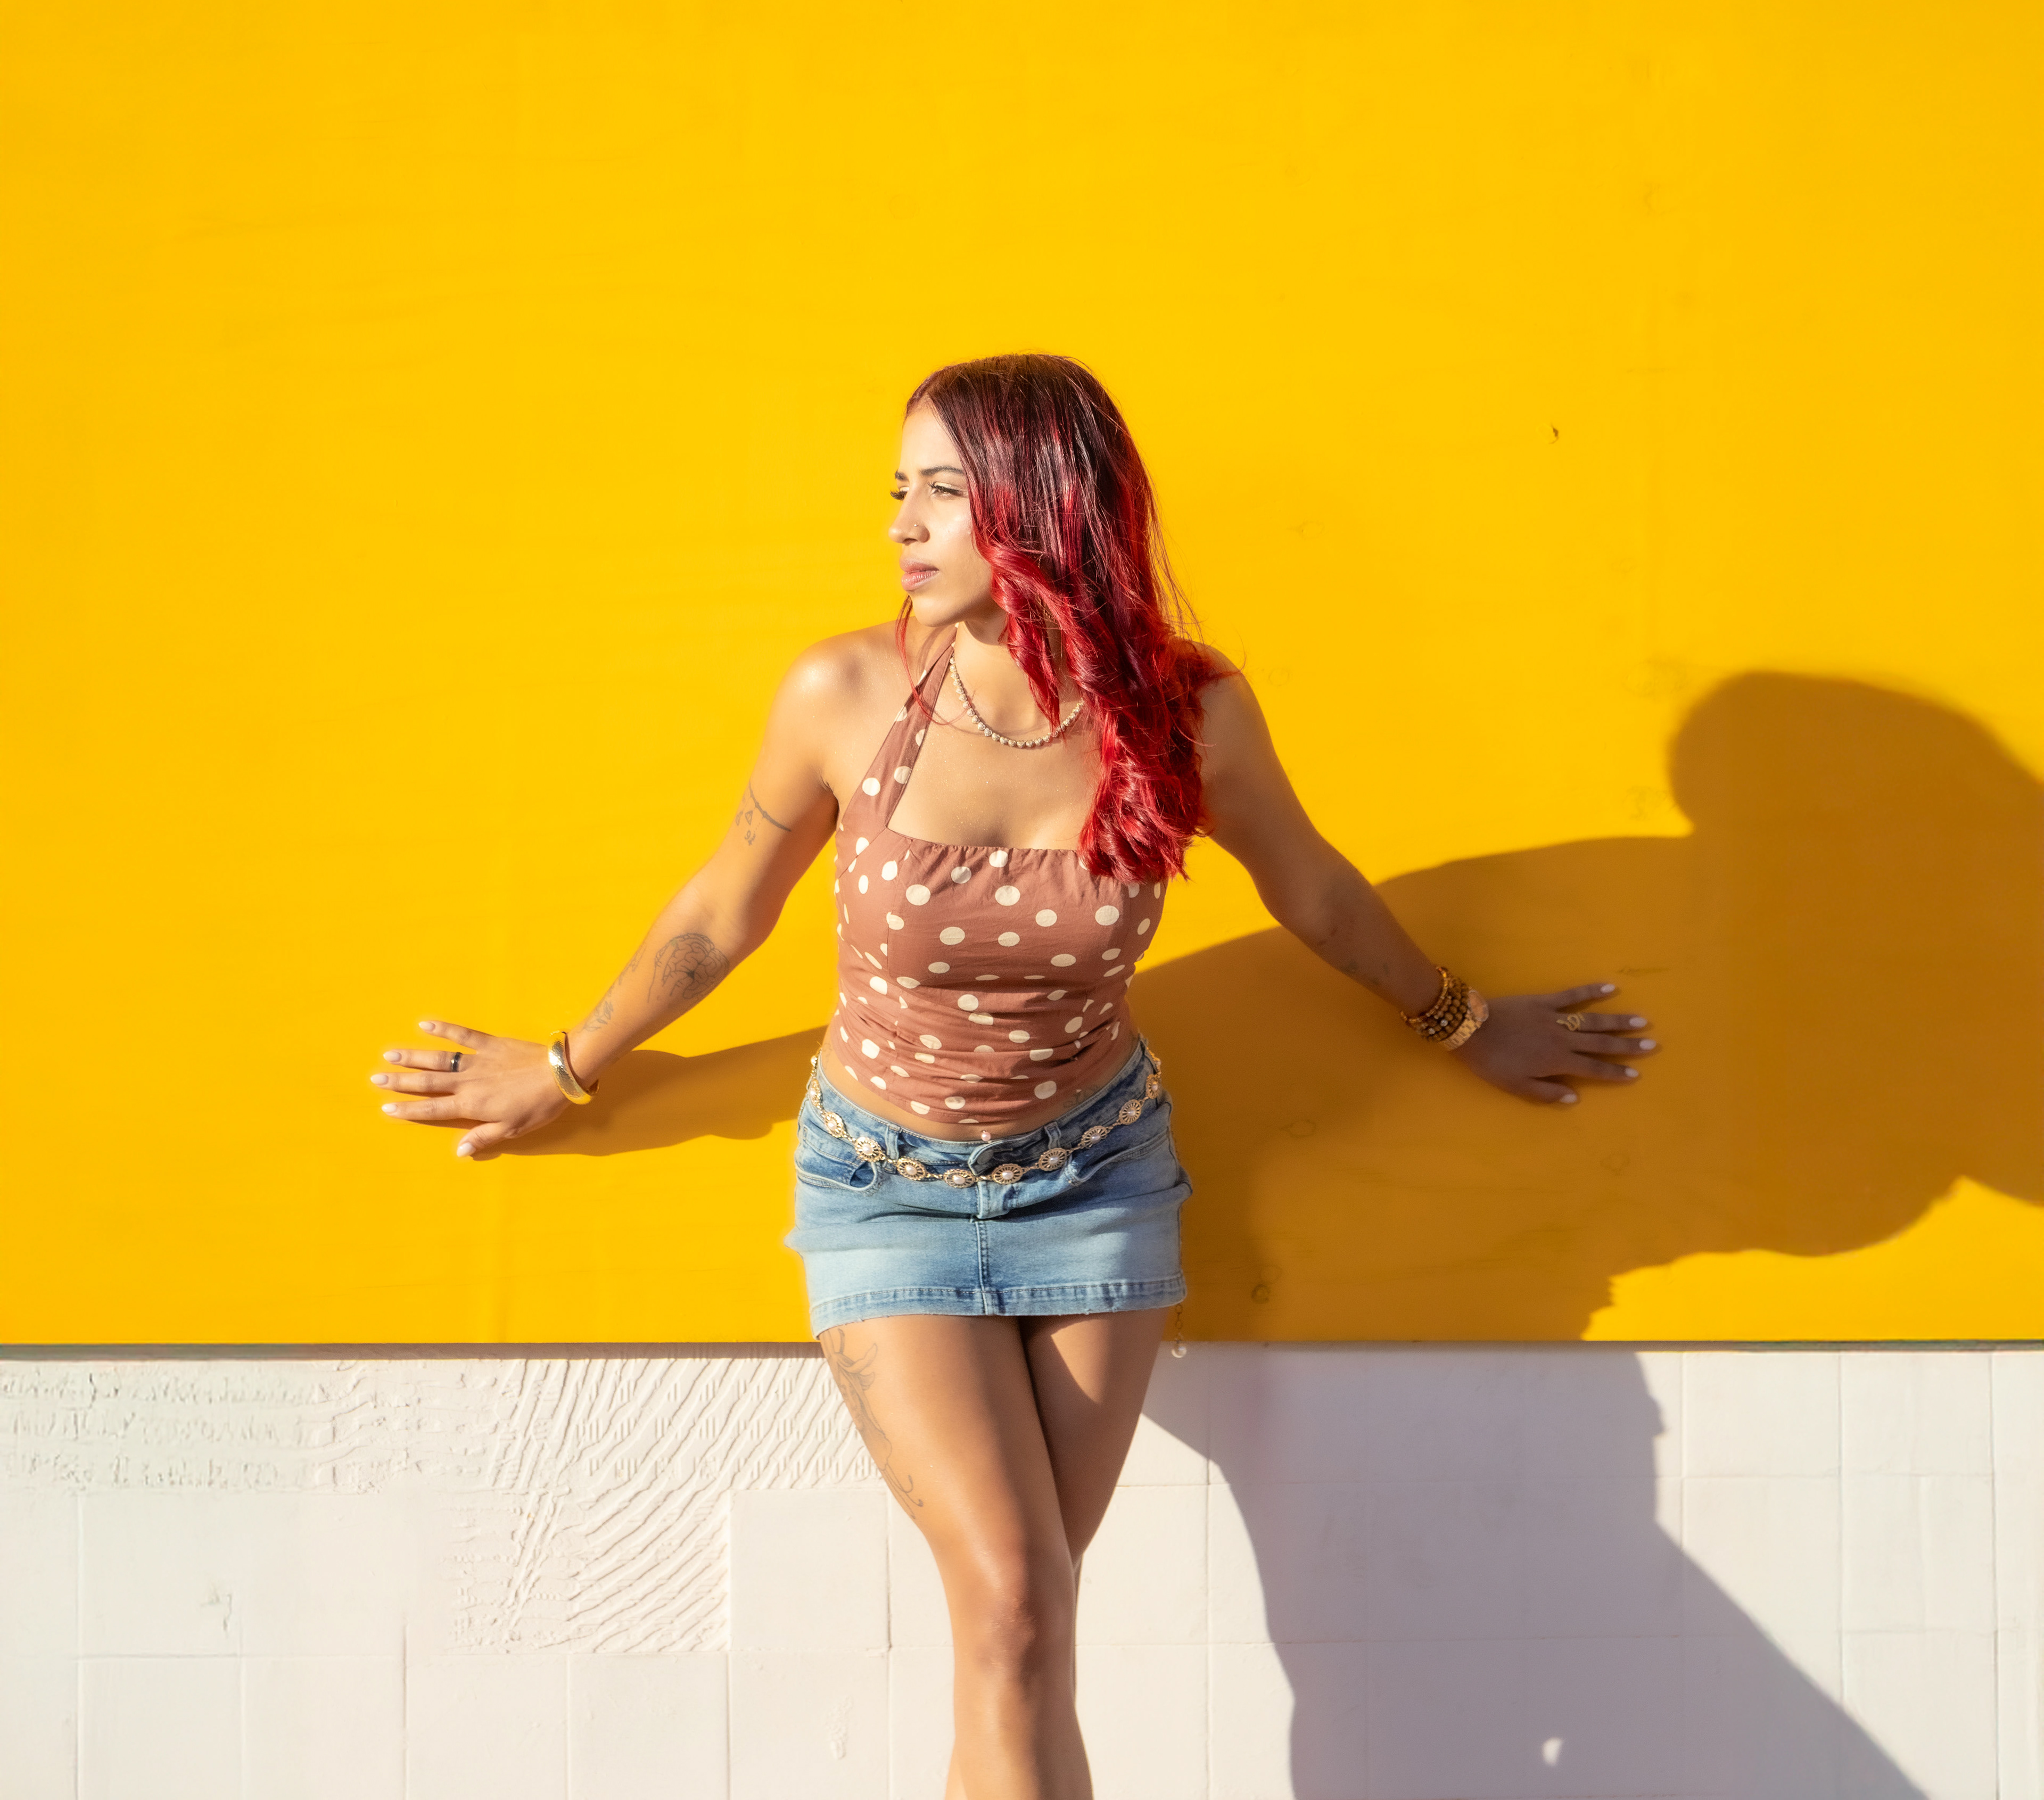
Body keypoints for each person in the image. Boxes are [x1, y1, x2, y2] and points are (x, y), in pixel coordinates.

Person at [369, 353, 1656, 1800]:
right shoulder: (845, 692)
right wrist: (563, 1067)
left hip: (1097, 1186)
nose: (900, 526)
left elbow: (1314, 889)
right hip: (885, 1192)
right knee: (1016, 1607)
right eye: (898, 491)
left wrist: (1468, 1024)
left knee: (1021, 1632)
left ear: (1043, 510)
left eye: (941, 493)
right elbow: (724, 908)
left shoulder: (1187, 715)